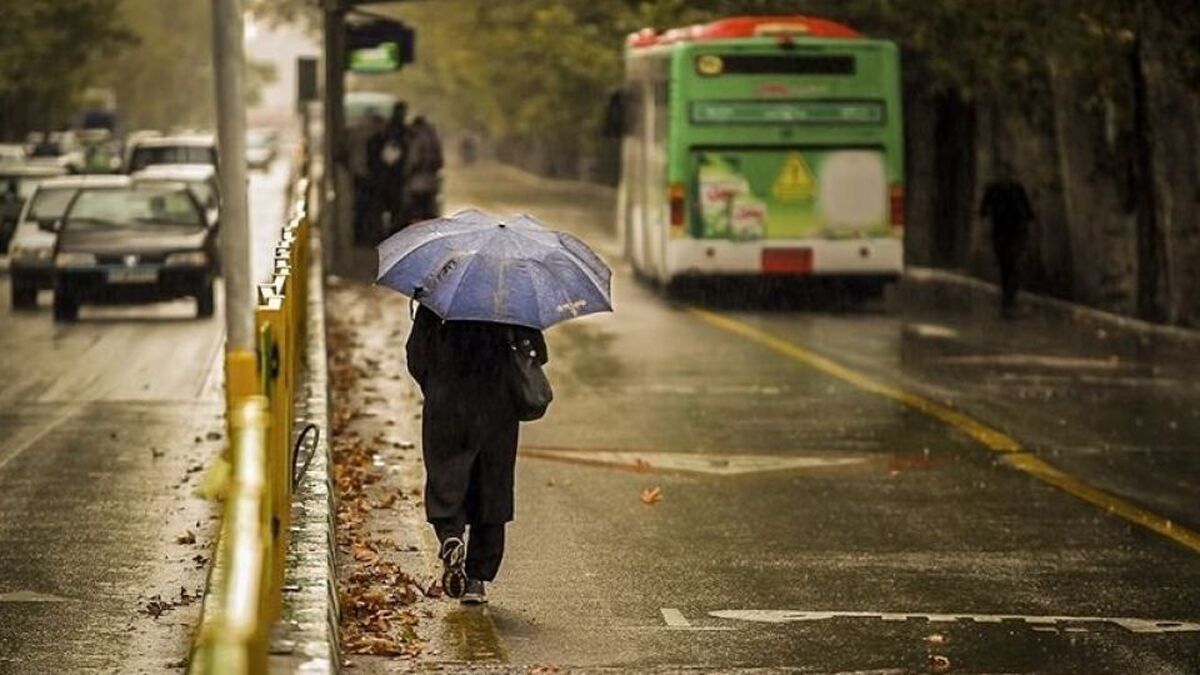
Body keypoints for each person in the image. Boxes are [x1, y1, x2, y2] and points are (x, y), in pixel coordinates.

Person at [406, 303, 548, 604]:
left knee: (446, 475)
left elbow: (416, 355)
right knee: (491, 486)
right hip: (497, 405)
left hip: (447, 400)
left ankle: (450, 536)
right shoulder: (513, 299)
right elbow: (536, 353)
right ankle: (476, 580)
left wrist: (436, 386)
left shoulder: (439, 299)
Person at [980, 163, 1035, 316]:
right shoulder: (992, 190)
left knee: (1013, 265)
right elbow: (983, 212)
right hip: (999, 233)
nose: (1004, 175)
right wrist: (984, 234)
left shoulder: (1018, 189)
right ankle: (1007, 299)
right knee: (1005, 266)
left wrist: (1027, 233)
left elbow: (1027, 212)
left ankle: (1010, 299)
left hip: (1016, 233)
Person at [377, 102, 410, 235]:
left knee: (390, 205)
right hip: (393, 175)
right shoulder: (397, 130)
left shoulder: (390, 128)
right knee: (393, 204)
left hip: (390, 174)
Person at [402, 116, 443, 223]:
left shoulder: (416, 139)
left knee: (416, 213)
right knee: (428, 213)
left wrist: (405, 173)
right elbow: (440, 162)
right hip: (431, 182)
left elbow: (413, 160)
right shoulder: (434, 139)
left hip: (416, 184)